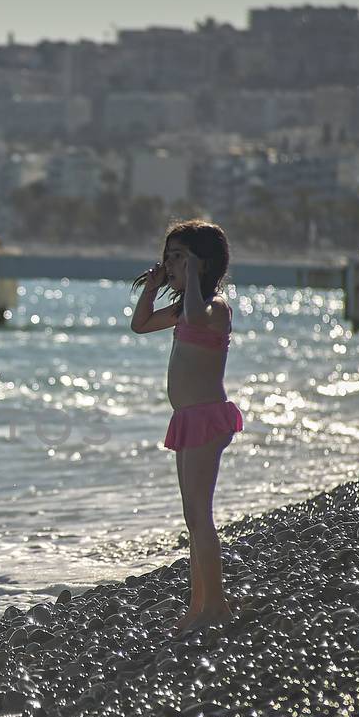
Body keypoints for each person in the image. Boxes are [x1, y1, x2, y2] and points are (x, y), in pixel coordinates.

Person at [131, 220, 243, 631]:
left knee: (200, 515)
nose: (171, 264)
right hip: (188, 418)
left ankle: (214, 605)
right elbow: (139, 324)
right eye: (169, 257)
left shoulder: (214, 308)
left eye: (180, 257)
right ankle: (199, 604)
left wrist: (192, 276)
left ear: (203, 263)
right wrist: (152, 284)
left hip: (207, 417)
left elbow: (197, 317)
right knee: (191, 516)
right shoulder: (183, 310)